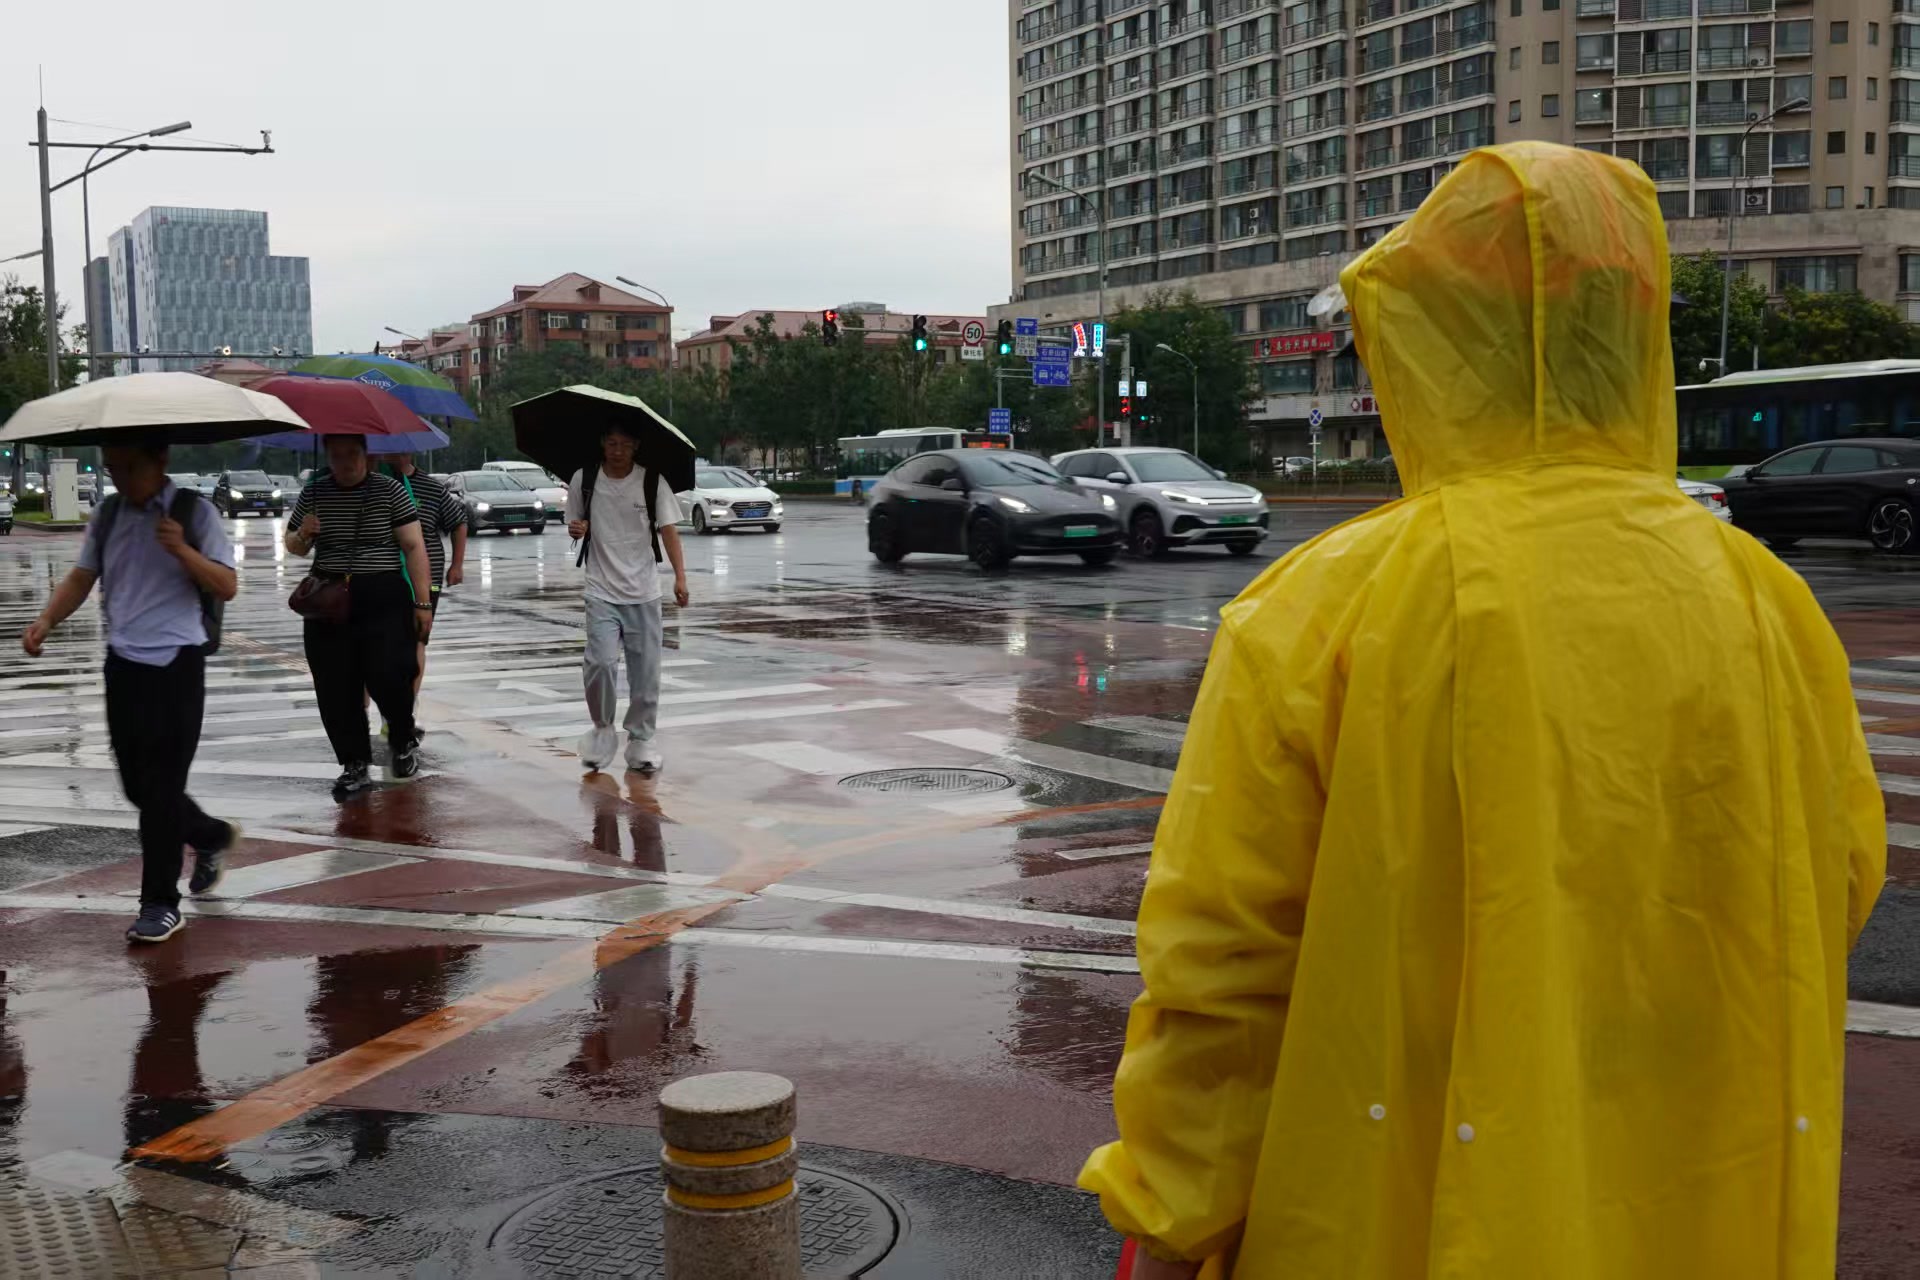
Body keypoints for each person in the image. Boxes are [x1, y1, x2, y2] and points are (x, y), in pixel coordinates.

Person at [1081, 143, 1887, 1279]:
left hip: (1386, 1206)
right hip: (1702, 1191)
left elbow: (1223, 969)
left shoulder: (1330, 606)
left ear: (1428, 340)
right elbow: (1836, 878)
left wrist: (1171, 1216)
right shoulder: (1767, 601)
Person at [20, 440, 240, 943]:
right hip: (123, 665)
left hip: (177, 663)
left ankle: (160, 903)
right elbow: (83, 576)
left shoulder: (195, 513)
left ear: (160, 461)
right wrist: (47, 620)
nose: (120, 478)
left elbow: (226, 585)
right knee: (138, 788)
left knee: (160, 789)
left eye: (130, 468)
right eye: (113, 468)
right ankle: (210, 835)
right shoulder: (108, 514)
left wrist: (181, 549)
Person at [284, 434, 435, 799]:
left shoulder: (389, 490)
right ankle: (354, 763)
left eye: (352, 454)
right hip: (328, 598)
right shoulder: (314, 493)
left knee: (391, 674)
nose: (346, 462)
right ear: (327, 457)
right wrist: (304, 533)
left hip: (382, 594)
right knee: (335, 684)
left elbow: (414, 546)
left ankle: (402, 739)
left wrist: (423, 603)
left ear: (366, 455)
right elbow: (294, 547)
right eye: (336, 455)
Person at [564, 423, 689, 774]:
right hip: (601, 589)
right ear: (602, 444)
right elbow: (574, 523)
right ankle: (602, 728)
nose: (617, 450)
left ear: (635, 447)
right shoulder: (584, 479)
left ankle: (641, 739)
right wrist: (577, 529)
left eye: (624, 444)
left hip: (644, 591)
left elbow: (669, 531)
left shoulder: (652, 482)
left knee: (645, 671)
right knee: (601, 662)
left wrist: (680, 577)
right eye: (611, 443)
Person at [384, 452, 467, 704]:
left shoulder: (432, 488)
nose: (395, 453)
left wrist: (457, 565)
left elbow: (458, 522)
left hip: (426, 577)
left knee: (417, 639)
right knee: (384, 642)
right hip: (385, 574)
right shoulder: (375, 484)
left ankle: (408, 706)